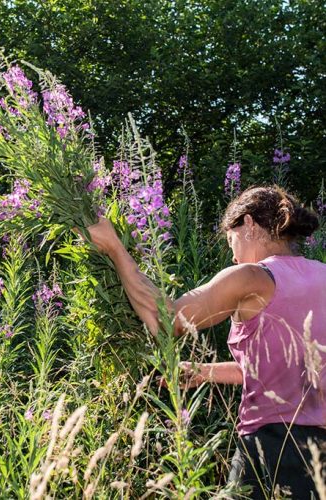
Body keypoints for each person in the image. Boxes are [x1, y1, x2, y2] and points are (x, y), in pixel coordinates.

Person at [84, 185, 326, 499]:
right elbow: (275, 367)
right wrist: (203, 372)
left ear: (248, 223)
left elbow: (167, 321)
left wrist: (115, 248)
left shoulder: (252, 276)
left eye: (231, 240)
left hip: (271, 450)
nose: (234, 255)